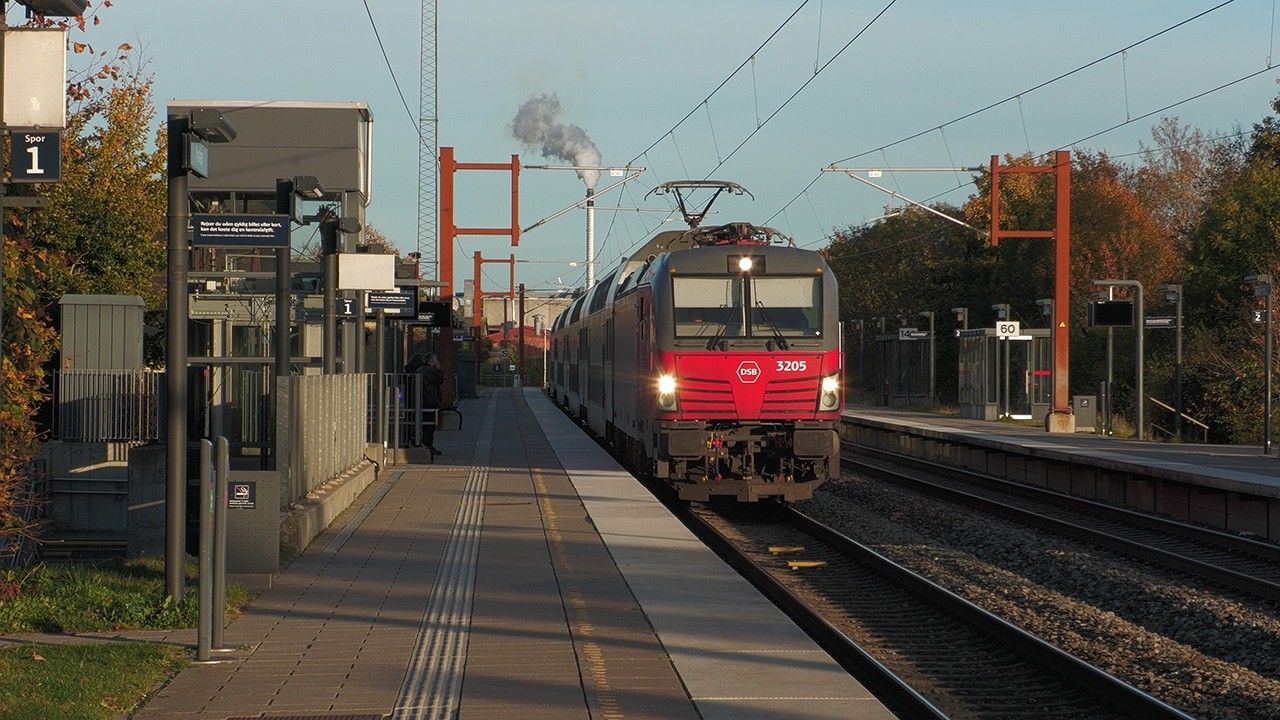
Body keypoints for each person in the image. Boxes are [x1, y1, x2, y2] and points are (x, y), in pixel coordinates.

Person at [416, 352, 444, 456]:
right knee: (430, 425)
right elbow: (440, 380)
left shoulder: (420, 370)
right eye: (436, 360)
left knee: (424, 424)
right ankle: (428, 445)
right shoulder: (430, 371)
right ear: (432, 361)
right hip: (430, 400)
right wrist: (439, 369)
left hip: (422, 400)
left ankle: (424, 443)